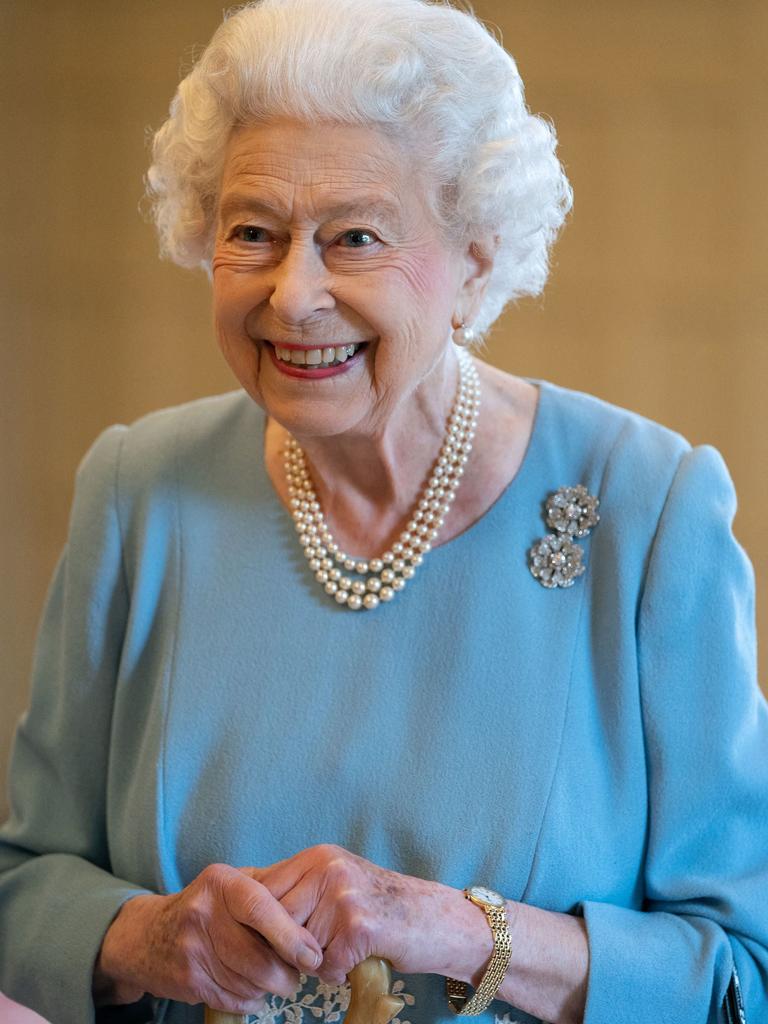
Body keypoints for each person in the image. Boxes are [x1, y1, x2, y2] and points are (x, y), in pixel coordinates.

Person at [0, 0, 766, 1022]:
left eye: (354, 236)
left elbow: (742, 970)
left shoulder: (646, 508)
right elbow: (24, 884)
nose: (292, 294)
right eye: (252, 233)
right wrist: (144, 936)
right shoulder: (139, 491)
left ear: (478, 256)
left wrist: (452, 927)